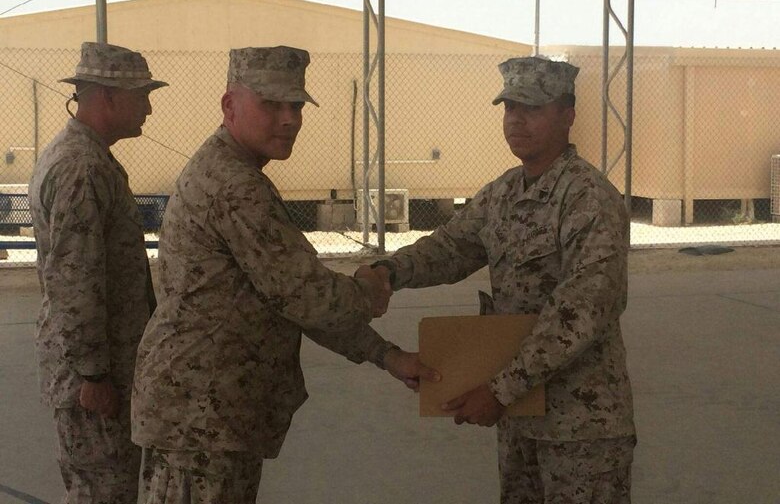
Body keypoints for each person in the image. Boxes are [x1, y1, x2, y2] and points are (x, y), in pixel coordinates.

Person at [131, 45, 437, 503]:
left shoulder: (234, 171)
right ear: (229, 105)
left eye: (295, 105)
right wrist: (368, 291)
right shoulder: (235, 186)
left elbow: (285, 299)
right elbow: (307, 297)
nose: (290, 118)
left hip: (204, 415)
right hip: (201, 422)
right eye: (271, 104)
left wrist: (388, 356)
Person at [366, 56, 636, 503]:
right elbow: (451, 247)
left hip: (581, 427)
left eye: (531, 109)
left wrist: (498, 389)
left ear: (567, 116)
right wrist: (388, 272)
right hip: (520, 416)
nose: (515, 120)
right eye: (509, 108)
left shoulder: (589, 199)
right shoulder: (504, 192)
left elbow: (579, 315)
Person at [28, 42, 166, 504]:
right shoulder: (81, 168)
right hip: (92, 376)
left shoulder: (85, 158)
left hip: (101, 366)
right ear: (106, 97)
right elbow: (75, 281)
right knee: (103, 491)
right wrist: (93, 375)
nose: (148, 106)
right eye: (141, 95)